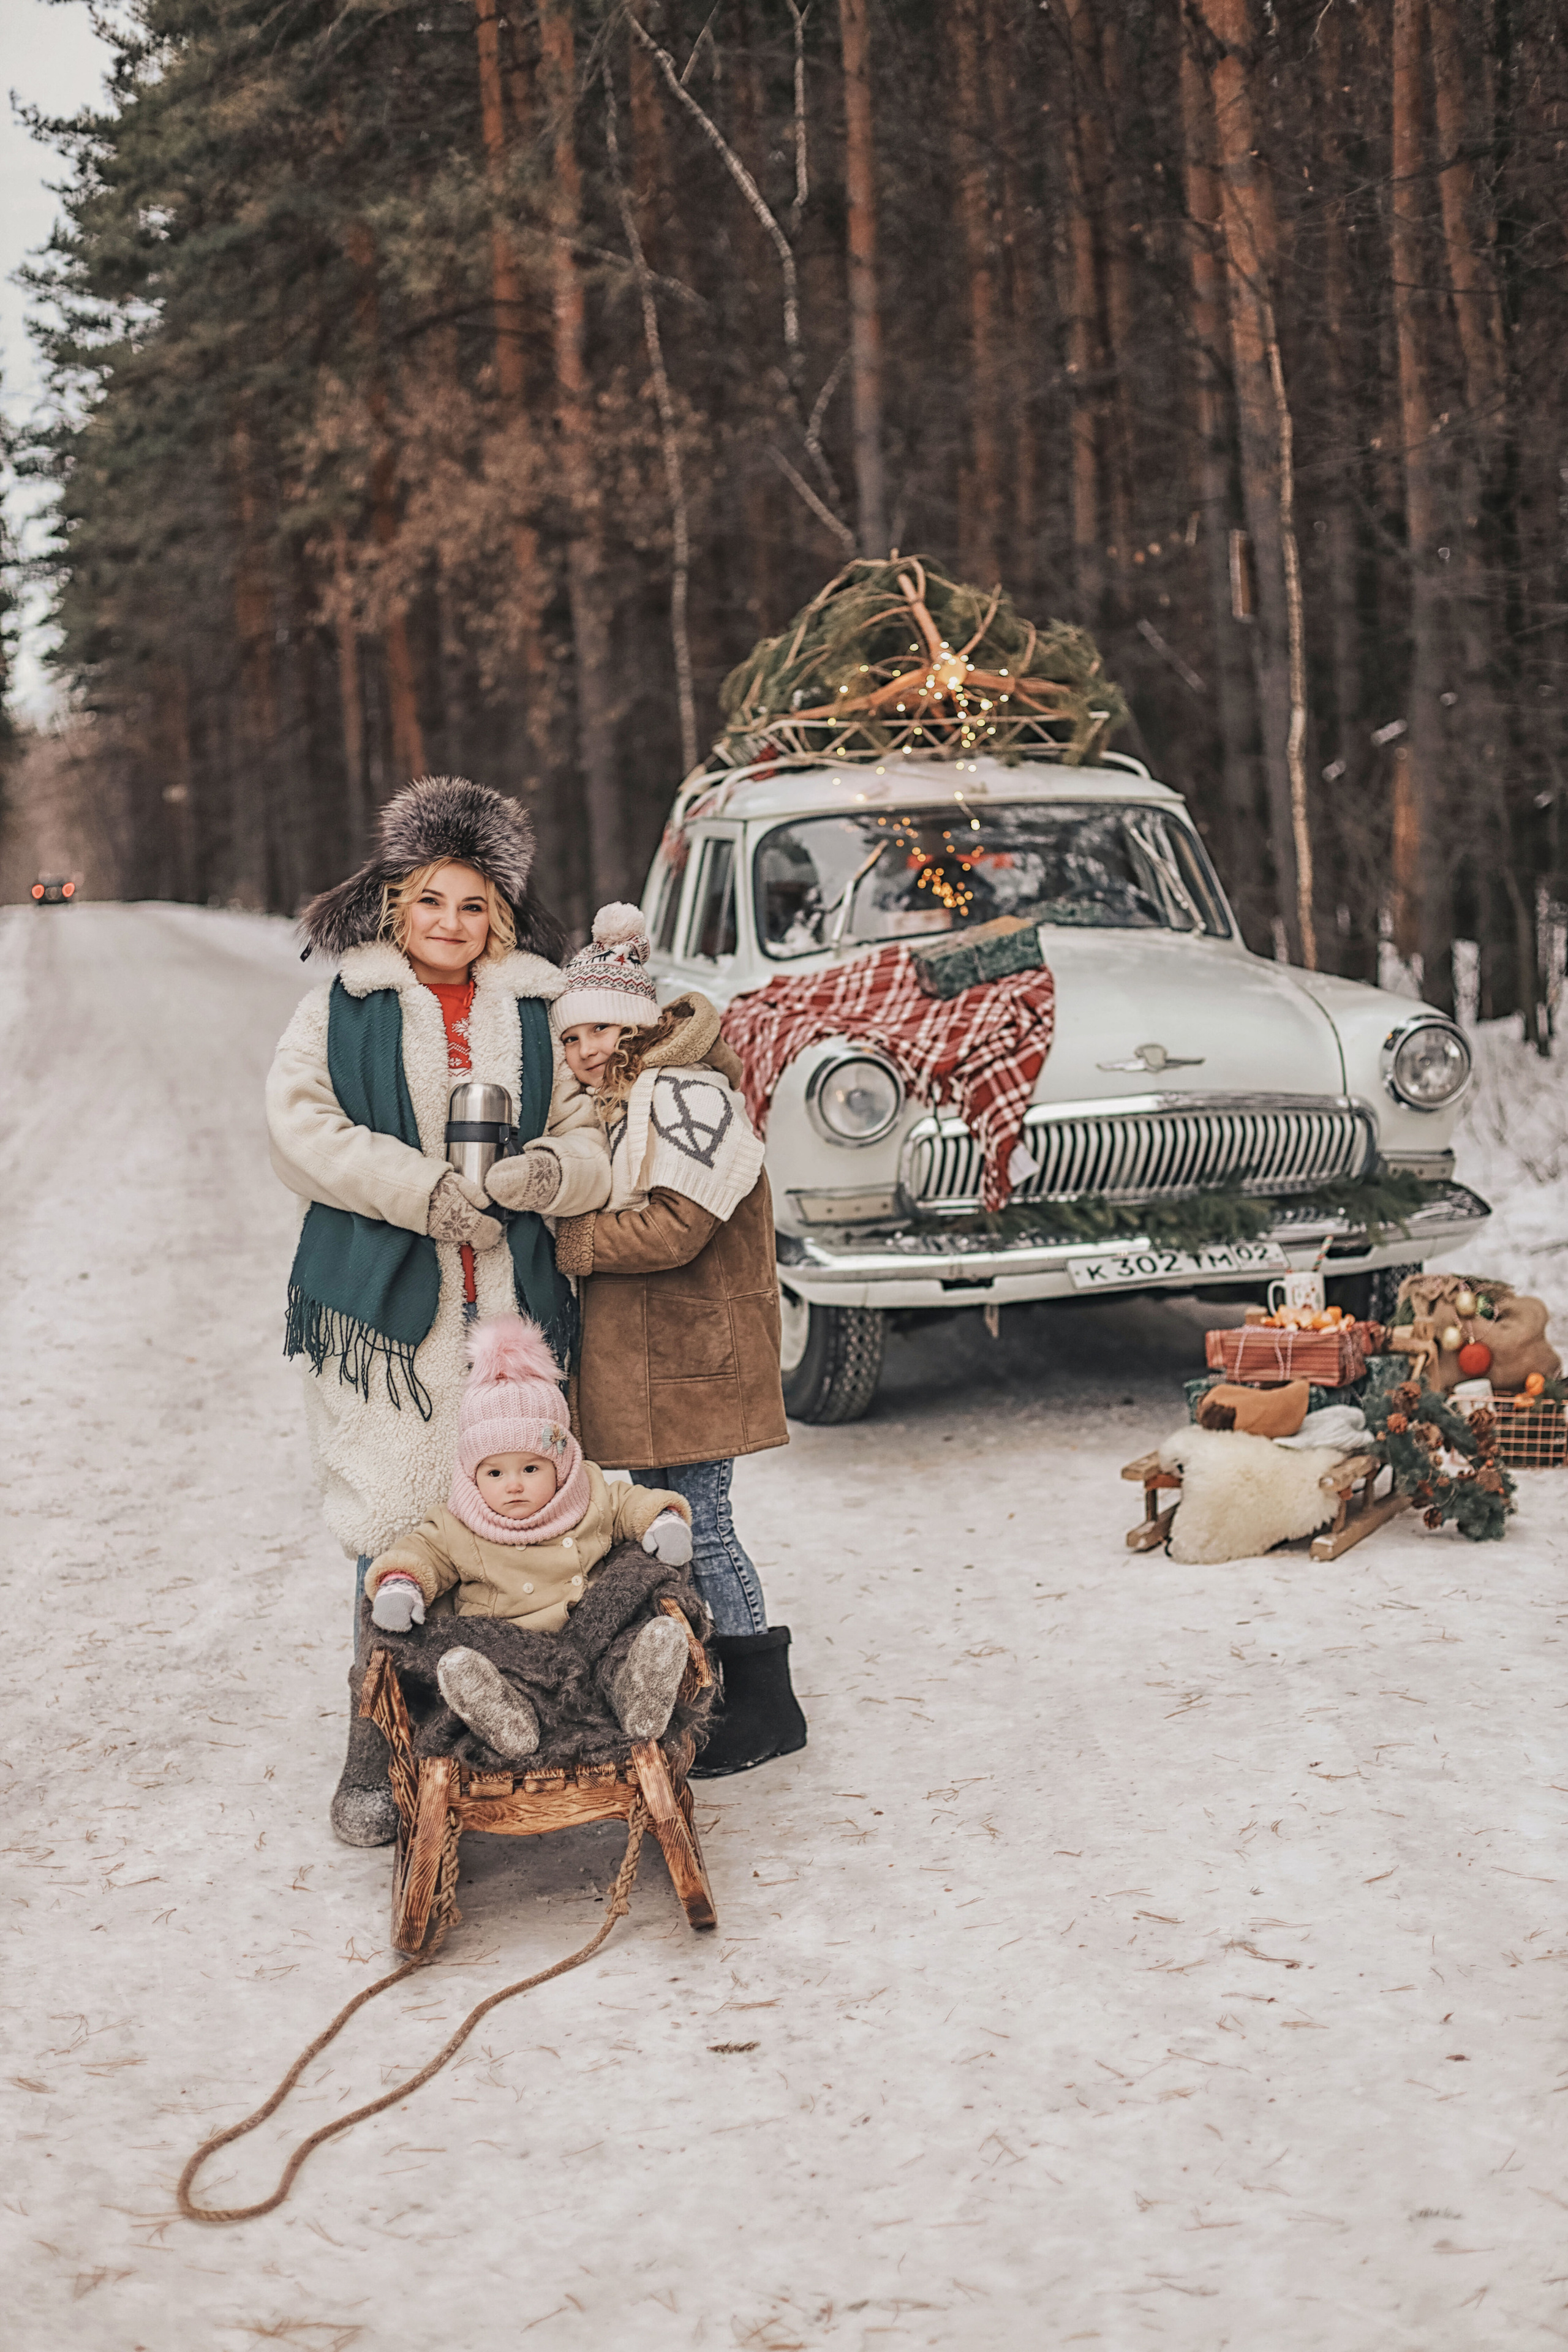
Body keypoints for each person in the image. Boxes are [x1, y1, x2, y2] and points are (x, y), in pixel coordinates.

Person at [266, 775, 607, 1845]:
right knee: (394, 1526)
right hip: (390, 1326)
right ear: (394, 905)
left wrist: (551, 1172)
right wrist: (420, 1191)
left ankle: (521, 1730)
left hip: (515, 1312)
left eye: (472, 905)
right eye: (430, 903)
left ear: (496, 914)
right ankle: (377, 1744)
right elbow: (299, 1126)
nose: (450, 925)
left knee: (520, 1515)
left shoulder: (545, 1006)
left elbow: (597, 1119)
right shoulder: (344, 1002)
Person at [486, 903, 807, 1777]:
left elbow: (677, 1228)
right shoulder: (626, 1101)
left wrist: (571, 1242)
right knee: (667, 1523)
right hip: (662, 1357)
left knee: (704, 1524)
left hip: (697, 1350)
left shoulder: (687, 1096)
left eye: (603, 1028)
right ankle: (707, 1684)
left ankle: (766, 1705)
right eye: (574, 1034)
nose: (588, 1048)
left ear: (639, 1023)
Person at [364, 1315, 696, 1757]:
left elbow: (632, 1504)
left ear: (561, 1467)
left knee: (627, 1633)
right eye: (495, 1472)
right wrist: (402, 1585)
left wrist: (664, 1520)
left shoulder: (590, 1494)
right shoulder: (458, 1524)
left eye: (531, 1468)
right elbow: (420, 1553)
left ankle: (638, 1695)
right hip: (516, 1654)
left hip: (589, 1642)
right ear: (472, 1475)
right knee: (484, 1665)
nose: (514, 1485)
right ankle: (508, 1718)